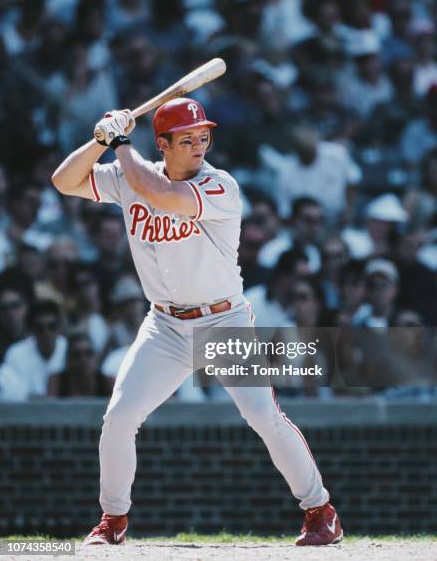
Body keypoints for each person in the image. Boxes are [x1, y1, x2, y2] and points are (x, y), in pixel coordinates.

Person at [51, 98, 342, 547]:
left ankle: (320, 510)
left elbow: (160, 194)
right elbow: (64, 181)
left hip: (223, 320)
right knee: (120, 416)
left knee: (263, 416)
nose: (198, 146)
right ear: (162, 144)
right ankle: (113, 520)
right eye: (186, 139)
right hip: (164, 325)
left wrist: (121, 140)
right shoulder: (129, 173)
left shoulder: (220, 185)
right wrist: (99, 139)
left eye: (202, 136)